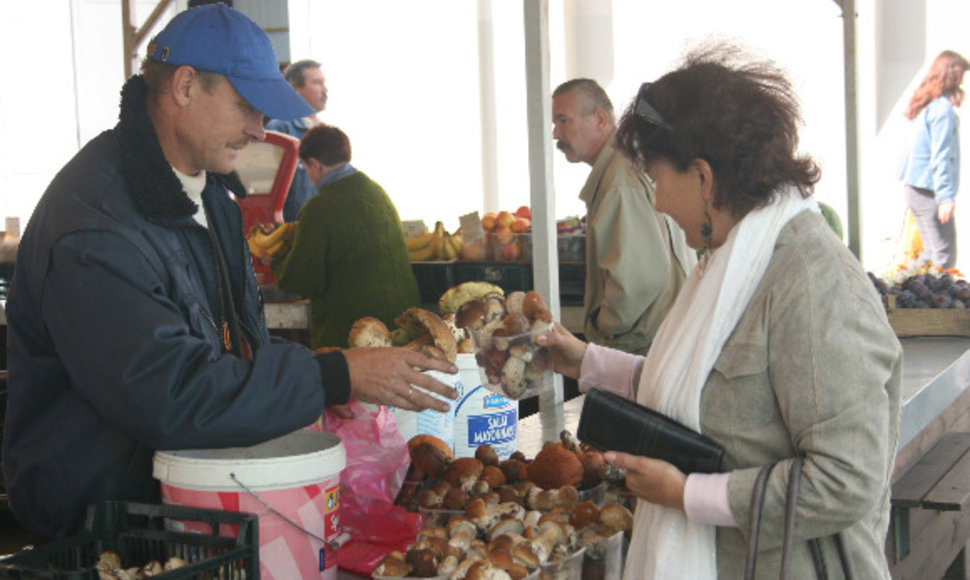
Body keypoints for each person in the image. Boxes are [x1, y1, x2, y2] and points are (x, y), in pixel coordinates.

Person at [2, 4, 455, 541]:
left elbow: (238, 348)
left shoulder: (209, 196)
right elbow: (170, 394)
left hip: (195, 506)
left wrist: (310, 390)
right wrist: (333, 374)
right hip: (103, 526)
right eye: (245, 105)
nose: (259, 129)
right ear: (186, 86)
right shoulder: (94, 227)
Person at [536, 43, 902, 579]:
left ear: (704, 178)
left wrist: (690, 494)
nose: (657, 202)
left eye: (658, 180)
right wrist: (581, 359)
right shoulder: (732, 260)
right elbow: (706, 391)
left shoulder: (810, 281)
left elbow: (845, 480)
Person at [551, 78, 692, 356]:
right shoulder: (629, 164)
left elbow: (638, 279)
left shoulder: (619, 181)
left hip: (639, 346)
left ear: (601, 119)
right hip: (665, 337)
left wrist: (604, 328)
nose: (556, 133)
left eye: (563, 120)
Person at [270, 124, 421, 349]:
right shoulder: (375, 191)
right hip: (402, 326)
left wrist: (274, 258)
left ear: (315, 165)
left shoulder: (320, 207)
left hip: (356, 333)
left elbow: (301, 279)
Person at [898, 50, 969, 270]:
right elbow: (941, 155)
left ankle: (903, 287)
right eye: (961, 76)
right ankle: (925, 298)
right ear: (952, 77)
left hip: (914, 188)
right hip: (929, 190)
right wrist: (946, 197)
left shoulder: (926, 105)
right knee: (943, 256)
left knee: (929, 254)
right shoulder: (942, 110)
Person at [265, 59, 329, 221]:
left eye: (324, 83)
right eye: (317, 83)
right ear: (294, 89)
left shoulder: (328, 134)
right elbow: (267, 189)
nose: (325, 90)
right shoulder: (280, 130)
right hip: (292, 234)